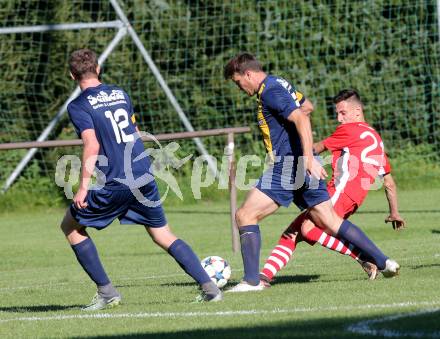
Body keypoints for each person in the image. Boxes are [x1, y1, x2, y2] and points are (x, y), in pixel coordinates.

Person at [223, 53, 400, 292]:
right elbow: (306, 107)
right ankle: (384, 261)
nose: (239, 87)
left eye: (237, 82)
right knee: (329, 220)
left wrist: (304, 156)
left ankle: (252, 281)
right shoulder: (280, 83)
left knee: (245, 215)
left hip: (289, 165)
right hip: (303, 163)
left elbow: (301, 118)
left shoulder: (270, 91)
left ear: (248, 74)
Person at [61, 48, 221, 311]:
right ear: (98, 69)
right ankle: (209, 287)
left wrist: (82, 187)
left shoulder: (78, 105)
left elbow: (91, 144)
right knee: (163, 234)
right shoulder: (120, 94)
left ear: (71, 75)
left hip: (115, 180)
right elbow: (135, 131)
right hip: (142, 174)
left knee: (70, 227)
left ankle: (107, 292)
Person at [260, 89, 405, 285]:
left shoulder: (349, 130)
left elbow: (315, 148)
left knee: (308, 228)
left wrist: (287, 151)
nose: (339, 118)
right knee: (292, 232)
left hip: (339, 192)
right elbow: (389, 183)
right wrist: (394, 212)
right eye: (337, 113)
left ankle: (368, 259)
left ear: (357, 111)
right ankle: (263, 277)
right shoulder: (375, 138)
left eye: (343, 113)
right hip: (353, 198)